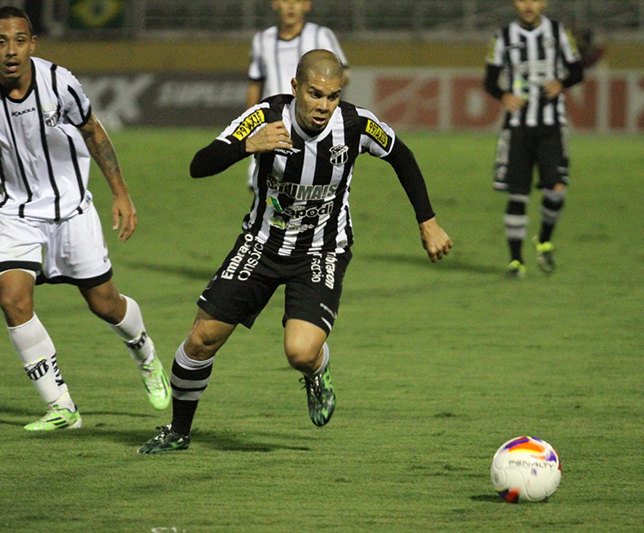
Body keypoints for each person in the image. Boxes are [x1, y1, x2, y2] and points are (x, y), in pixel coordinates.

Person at [138, 50, 453, 454]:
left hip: (322, 249)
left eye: (333, 96)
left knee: (300, 353)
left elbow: (402, 156)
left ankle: (317, 370)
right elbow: (199, 165)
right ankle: (179, 432)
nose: (323, 106)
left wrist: (428, 221)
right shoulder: (266, 116)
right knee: (201, 340)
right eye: (315, 94)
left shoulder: (356, 124)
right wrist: (246, 146)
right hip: (262, 243)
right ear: (295, 88)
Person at [0, 7, 170, 431]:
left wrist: (120, 193)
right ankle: (62, 407)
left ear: (32, 43)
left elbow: (92, 130)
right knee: (12, 299)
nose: (11, 51)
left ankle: (146, 354)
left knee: (105, 304)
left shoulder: (59, 81)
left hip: (70, 209)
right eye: (1, 42)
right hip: (12, 212)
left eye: (19, 40)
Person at [484, 0, 583, 278]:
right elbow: (490, 80)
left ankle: (544, 239)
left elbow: (577, 70)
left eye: (535, 0)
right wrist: (503, 95)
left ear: (544, 3)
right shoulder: (502, 37)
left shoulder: (559, 33)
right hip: (517, 129)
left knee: (557, 188)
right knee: (518, 194)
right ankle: (516, 262)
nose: (529, 5)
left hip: (552, 126)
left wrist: (562, 83)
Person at [245, 0, 349, 189]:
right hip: (273, 123)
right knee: (265, 189)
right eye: (286, 0)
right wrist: (249, 121)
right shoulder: (262, 39)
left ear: (307, 5)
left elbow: (343, 75)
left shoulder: (320, 36)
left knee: (309, 188)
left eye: (298, 0)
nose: (291, 5)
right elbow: (255, 83)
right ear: (275, 3)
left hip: (309, 124)